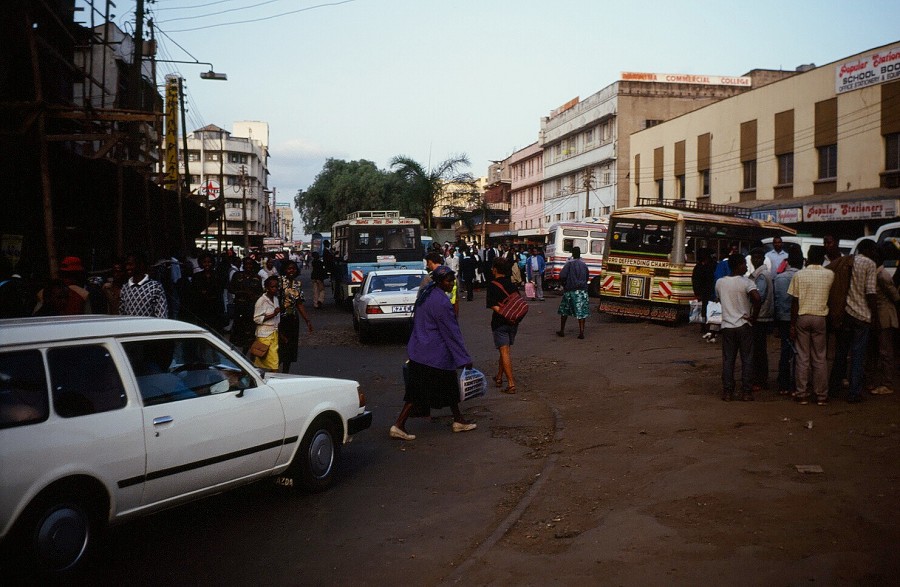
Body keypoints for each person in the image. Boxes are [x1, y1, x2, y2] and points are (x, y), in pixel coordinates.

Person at [390, 265, 476, 441]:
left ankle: (458, 419)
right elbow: (451, 333)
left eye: (452, 280)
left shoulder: (426, 295)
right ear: (439, 281)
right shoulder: (442, 302)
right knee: (417, 393)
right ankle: (398, 425)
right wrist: (464, 358)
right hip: (434, 355)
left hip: (420, 349)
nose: (451, 283)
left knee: (450, 388)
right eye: (448, 280)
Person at [828, 239, 878, 403]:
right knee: (858, 355)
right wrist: (875, 316)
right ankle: (854, 392)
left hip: (846, 313)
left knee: (841, 354)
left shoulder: (847, 261)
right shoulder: (870, 264)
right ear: (868, 250)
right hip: (862, 315)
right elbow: (870, 292)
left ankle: (834, 388)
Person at [788, 247, 834, 405]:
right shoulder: (829, 274)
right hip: (820, 317)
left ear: (807, 258)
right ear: (822, 258)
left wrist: (792, 324)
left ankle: (801, 393)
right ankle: (821, 395)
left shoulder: (799, 274)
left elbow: (794, 302)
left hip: (802, 316)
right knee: (820, 357)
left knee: (802, 357)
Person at [715, 254, 761, 402]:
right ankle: (746, 392)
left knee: (728, 360)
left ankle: (728, 392)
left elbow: (719, 299)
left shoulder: (720, 283)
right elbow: (757, 298)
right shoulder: (746, 282)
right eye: (744, 264)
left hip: (727, 325)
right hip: (744, 324)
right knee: (747, 359)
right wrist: (754, 316)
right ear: (738, 265)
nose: (747, 267)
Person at [865, 244, 899, 396]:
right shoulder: (878, 274)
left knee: (885, 352)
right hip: (881, 315)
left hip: (884, 316)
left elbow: (895, 297)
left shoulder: (881, 275)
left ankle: (888, 383)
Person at [487, 257, 519, 394]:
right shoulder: (512, 285)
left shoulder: (493, 285)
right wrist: (512, 317)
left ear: (495, 269)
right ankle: (499, 377)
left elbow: (493, 306)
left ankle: (511, 384)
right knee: (504, 351)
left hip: (500, 323)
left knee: (504, 352)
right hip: (513, 323)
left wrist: (504, 314)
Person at [773, 247, 803, 394]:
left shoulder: (779, 278)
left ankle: (783, 384)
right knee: (800, 352)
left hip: (783, 319)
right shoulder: (804, 276)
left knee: (785, 351)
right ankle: (796, 384)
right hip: (800, 318)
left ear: (788, 261)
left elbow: (777, 302)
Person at [277, 260, 313, 374]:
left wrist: (307, 320)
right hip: (280, 319)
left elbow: (299, 303)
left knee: (290, 348)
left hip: (292, 319)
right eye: (289, 268)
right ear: (285, 270)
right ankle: (274, 372)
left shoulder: (298, 284)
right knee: (279, 347)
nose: (291, 271)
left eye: (293, 268)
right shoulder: (279, 282)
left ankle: (285, 373)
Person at [749, 247, 774, 391]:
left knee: (758, 351)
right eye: (754, 256)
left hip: (760, 317)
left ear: (763, 258)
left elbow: (759, 298)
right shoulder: (762, 274)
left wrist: (753, 316)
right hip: (762, 316)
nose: (756, 259)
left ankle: (759, 380)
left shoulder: (762, 276)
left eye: (758, 257)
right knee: (760, 350)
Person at [185, 251, 226, 333]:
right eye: (204, 262)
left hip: (216, 308)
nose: (207, 264)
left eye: (209, 262)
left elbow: (220, 290)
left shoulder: (218, 275)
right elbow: (194, 291)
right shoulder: (197, 276)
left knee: (216, 330)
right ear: (201, 263)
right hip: (202, 308)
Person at [228, 257, 263, 353]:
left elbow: (261, 292)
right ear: (243, 265)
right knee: (237, 331)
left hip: (251, 308)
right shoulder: (237, 275)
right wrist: (242, 293)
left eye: (250, 264)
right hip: (239, 308)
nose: (248, 266)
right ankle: (235, 353)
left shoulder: (257, 278)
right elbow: (231, 289)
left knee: (250, 332)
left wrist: (254, 296)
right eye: (246, 264)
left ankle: (246, 352)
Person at [119, 252, 169, 318]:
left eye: (130, 264)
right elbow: (121, 314)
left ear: (140, 265)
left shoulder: (155, 287)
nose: (127, 267)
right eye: (126, 265)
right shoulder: (125, 288)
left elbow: (161, 316)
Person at [556, 246, 590, 339]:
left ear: (572, 254)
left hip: (570, 291)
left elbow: (562, 276)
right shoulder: (584, 265)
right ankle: (581, 332)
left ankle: (562, 330)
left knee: (564, 311)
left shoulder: (569, 264)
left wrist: (564, 284)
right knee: (581, 312)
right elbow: (587, 277)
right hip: (582, 292)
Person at [253, 276, 281, 372]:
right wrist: (273, 314)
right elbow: (256, 319)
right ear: (267, 288)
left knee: (271, 361)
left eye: (276, 287)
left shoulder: (276, 299)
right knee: (272, 362)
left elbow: (278, 319)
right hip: (264, 335)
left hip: (274, 333)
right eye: (272, 287)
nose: (275, 289)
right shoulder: (261, 301)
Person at [691, 248, 717, 340]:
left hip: (705, 291)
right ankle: (705, 326)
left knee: (705, 309)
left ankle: (705, 326)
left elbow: (695, 281)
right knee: (705, 309)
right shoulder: (705, 267)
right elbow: (696, 281)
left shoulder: (699, 267)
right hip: (705, 292)